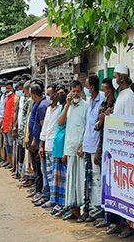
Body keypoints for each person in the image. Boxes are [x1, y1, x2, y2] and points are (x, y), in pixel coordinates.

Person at [109, 65, 134, 238]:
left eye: (115, 76)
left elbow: (129, 123)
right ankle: (120, 221)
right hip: (116, 149)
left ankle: (128, 224)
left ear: (122, 78)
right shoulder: (121, 95)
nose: (114, 79)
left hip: (125, 149)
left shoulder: (129, 97)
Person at [58, 80, 87, 220]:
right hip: (69, 150)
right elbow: (61, 123)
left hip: (80, 151)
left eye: (77, 91)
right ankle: (74, 210)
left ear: (81, 91)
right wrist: (67, 105)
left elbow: (87, 128)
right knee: (72, 181)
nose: (75, 93)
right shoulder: (67, 106)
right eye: (73, 91)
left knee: (81, 181)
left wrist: (83, 146)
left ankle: (83, 211)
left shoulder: (86, 106)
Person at [93, 78, 116, 228]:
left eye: (104, 89)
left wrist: (108, 117)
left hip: (113, 150)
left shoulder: (115, 104)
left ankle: (111, 219)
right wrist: (102, 119)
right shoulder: (103, 105)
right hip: (102, 146)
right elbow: (97, 126)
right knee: (103, 184)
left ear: (110, 90)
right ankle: (105, 216)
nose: (102, 92)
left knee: (111, 185)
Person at [80, 75, 104, 223]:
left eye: (87, 86)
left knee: (97, 181)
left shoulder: (101, 102)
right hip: (88, 145)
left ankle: (97, 212)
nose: (86, 89)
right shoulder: (90, 102)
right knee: (87, 180)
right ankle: (88, 209)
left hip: (96, 147)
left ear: (92, 88)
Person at [38, 85, 63, 208]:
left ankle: (56, 200)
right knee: (47, 174)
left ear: (55, 95)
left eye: (50, 94)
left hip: (55, 146)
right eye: (47, 94)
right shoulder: (48, 109)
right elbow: (45, 128)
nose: (48, 96)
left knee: (55, 176)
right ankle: (49, 197)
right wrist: (41, 145)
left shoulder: (61, 108)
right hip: (46, 145)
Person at [28, 83, 49, 204]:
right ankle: (39, 190)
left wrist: (37, 141)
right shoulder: (38, 103)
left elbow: (42, 126)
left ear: (34, 94)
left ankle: (42, 192)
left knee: (41, 169)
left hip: (39, 143)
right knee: (39, 168)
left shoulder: (42, 106)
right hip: (35, 140)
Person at [50, 86, 68, 216]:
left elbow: (61, 123)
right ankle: (58, 203)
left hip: (64, 149)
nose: (60, 95)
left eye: (62, 93)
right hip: (57, 147)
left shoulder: (67, 108)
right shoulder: (61, 108)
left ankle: (63, 204)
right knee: (57, 179)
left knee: (64, 180)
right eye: (59, 93)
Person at [2, 81, 17, 169]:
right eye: (6, 88)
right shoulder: (6, 98)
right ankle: (9, 161)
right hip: (5, 124)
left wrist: (11, 124)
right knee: (7, 144)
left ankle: (12, 162)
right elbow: (4, 112)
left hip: (10, 125)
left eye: (9, 88)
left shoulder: (14, 98)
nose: (7, 90)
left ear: (12, 88)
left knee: (11, 144)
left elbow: (12, 113)